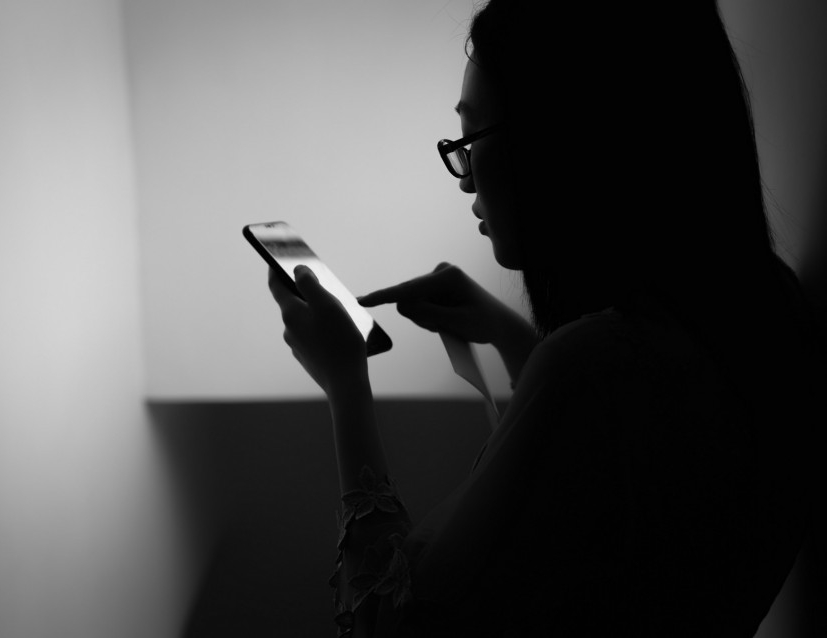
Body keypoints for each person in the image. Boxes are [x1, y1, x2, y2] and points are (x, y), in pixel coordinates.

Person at [266, 1, 826, 635]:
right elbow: (601, 497)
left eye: (472, 138)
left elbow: (386, 622)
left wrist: (345, 385)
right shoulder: (767, 316)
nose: (463, 178)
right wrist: (511, 336)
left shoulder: (595, 370)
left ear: (566, 138)